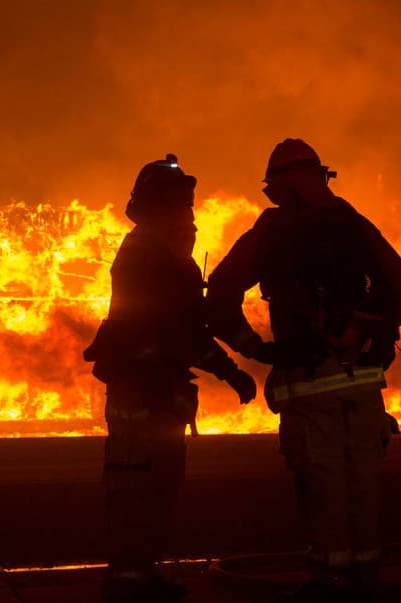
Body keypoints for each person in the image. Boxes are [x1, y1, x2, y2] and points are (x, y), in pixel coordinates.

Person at [206, 138, 401, 601]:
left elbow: (218, 296)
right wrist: (366, 325)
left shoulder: (273, 230)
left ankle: (329, 583)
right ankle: (365, 580)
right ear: (320, 176)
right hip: (363, 388)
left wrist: (255, 349)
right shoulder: (354, 224)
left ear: (283, 184)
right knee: (363, 486)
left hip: (307, 385)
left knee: (323, 489)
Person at [84, 154, 257, 603]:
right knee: (135, 495)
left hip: (158, 396)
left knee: (155, 493)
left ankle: (142, 579)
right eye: (183, 205)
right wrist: (231, 366)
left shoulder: (164, 257)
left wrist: (231, 367)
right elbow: (182, 327)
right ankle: (128, 587)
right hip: (140, 394)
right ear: (160, 207)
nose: (191, 216)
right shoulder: (148, 256)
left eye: (191, 205)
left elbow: (191, 328)